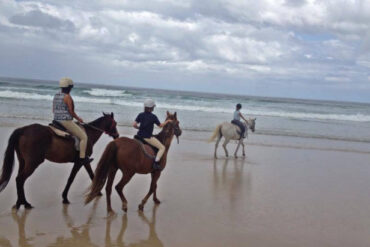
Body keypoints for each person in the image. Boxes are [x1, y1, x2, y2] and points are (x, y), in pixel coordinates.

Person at [52, 77, 90, 165]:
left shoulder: (56, 95)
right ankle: (82, 158)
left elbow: (53, 110)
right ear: (69, 87)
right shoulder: (67, 97)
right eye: (71, 87)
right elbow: (71, 112)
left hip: (56, 120)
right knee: (84, 137)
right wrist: (79, 119)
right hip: (65, 121)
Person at [133, 99, 172, 170]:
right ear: (151, 108)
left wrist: (139, 128)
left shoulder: (140, 115)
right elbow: (160, 125)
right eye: (153, 107)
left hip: (138, 136)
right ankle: (156, 163)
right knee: (162, 148)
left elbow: (134, 125)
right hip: (147, 137)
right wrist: (167, 121)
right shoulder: (153, 117)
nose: (154, 108)